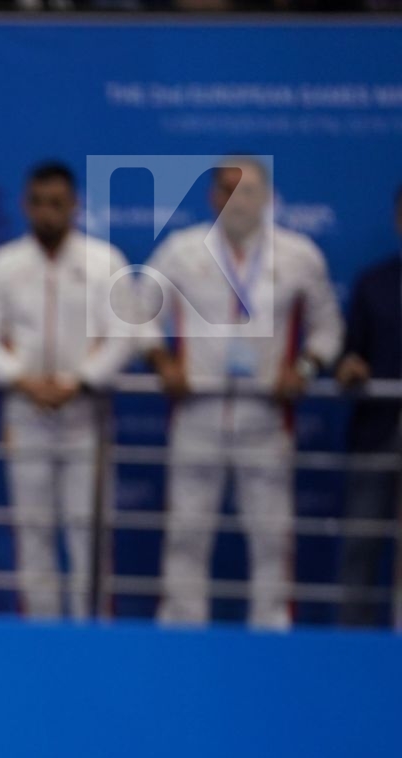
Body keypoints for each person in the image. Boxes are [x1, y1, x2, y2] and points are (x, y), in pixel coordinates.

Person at [142, 158, 342, 630]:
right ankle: (180, 635)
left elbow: (328, 329)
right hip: (196, 413)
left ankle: (271, 634)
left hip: (266, 417)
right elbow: (137, 311)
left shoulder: (299, 254)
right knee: (186, 534)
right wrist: (161, 361)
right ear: (212, 196)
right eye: (227, 189)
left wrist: (306, 368)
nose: (237, 200)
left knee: (272, 538)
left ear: (267, 198)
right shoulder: (180, 251)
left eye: (248, 190)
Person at [0, 162, 134, 620]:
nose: (47, 213)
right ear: (25, 205)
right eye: (38, 203)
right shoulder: (4, 264)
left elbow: (124, 337)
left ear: (75, 205)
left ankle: (92, 630)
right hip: (26, 415)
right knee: (33, 531)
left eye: (57, 204)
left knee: (90, 531)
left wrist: (79, 380)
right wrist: (21, 379)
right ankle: (41, 634)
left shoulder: (106, 262)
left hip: (86, 414)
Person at [334, 185, 402, 628]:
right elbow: (346, 355)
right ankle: (351, 643)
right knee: (361, 544)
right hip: (379, 431)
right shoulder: (373, 283)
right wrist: (348, 367)